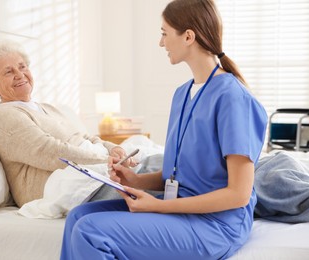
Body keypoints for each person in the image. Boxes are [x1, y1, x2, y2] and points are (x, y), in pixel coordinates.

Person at [60, 0, 268, 259]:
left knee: (90, 230)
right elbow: (181, 172)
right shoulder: (182, 94)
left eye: (164, 33)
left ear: (188, 36)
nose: (161, 43)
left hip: (216, 224)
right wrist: (136, 180)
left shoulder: (233, 98)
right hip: (179, 209)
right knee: (79, 216)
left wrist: (160, 206)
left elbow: (238, 194)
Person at [0, 40, 134, 208]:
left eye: (22, 67)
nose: (20, 74)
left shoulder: (47, 108)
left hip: (93, 170)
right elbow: (50, 152)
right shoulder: (4, 115)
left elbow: (85, 137)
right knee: (156, 177)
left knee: (157, 169)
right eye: (9, 72)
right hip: (66, 187)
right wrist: (107, 161)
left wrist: (112, 148)